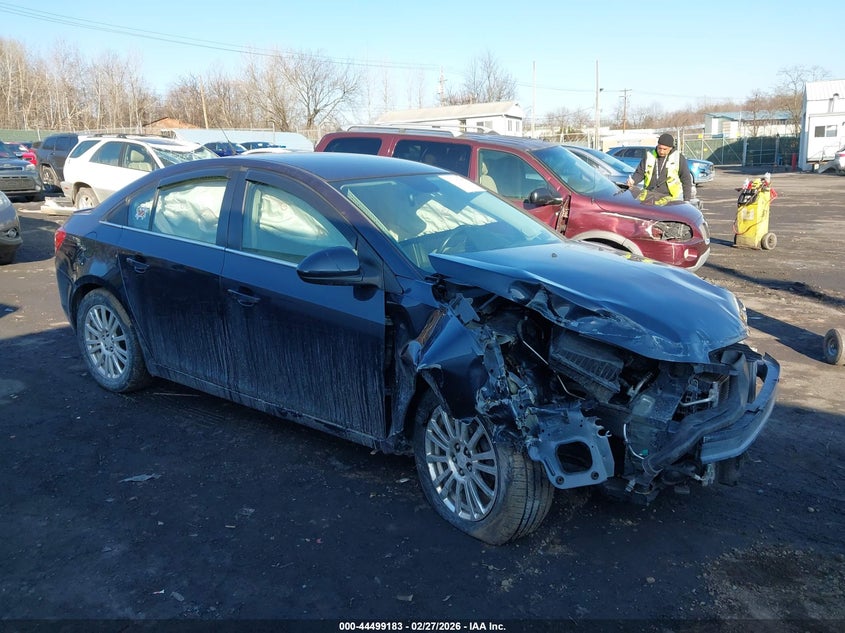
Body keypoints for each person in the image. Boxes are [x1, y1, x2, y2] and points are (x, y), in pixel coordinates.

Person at [626, 133, 693, 205]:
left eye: (665, 149)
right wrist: (633, 180)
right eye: (659, 148)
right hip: (649, 196)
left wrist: (687, 199)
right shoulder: (649, 156)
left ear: (671, 148)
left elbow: (686, 179)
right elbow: (640, 173)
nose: (661, 151)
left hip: (670, 199)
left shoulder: (678, 158)